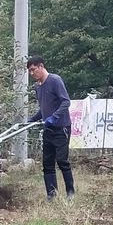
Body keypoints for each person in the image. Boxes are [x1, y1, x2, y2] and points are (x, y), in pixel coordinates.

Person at [27, 55, 75, 200]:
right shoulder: (37, 87)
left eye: (33, 70)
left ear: (41, 66)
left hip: (61, 128)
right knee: (47, 163)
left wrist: (54, 117)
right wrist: (33, 119)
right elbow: (44, 108)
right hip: (48, 129)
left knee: (62, 160)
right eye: (29, 71)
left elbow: (66, 102)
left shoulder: (55, 80)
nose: (31, 73)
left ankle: (70, 192)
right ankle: (51, 194)